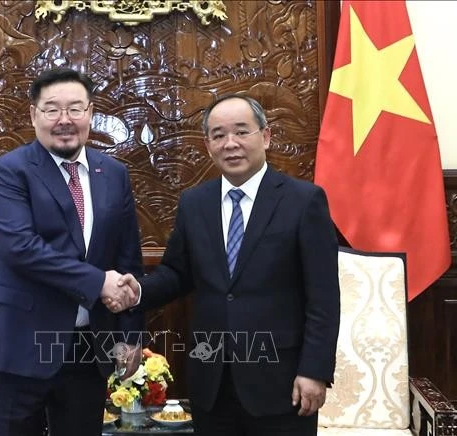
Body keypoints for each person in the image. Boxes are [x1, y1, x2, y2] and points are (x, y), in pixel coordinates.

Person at [116, 95, 340, 435]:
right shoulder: (195, 203)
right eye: (218, 135)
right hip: (212, 380)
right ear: (208, 145)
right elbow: (177, 274)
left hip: (281, 382)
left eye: (241, 132)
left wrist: (314, 370)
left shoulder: (303, 201)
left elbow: (323, 297)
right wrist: (135, 292)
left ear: (265, 136)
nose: (230, 143)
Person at [0, 68, 143, 436]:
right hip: (18, 344)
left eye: (75, 109)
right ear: (34, 115)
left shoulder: (113, 173)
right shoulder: (8, 171)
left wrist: (130, 335)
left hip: (87, 347)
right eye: (52, 110)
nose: (64, 120)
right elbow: (21, 248)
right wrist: (98, 282)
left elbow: (128, 260)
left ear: (91, 114)